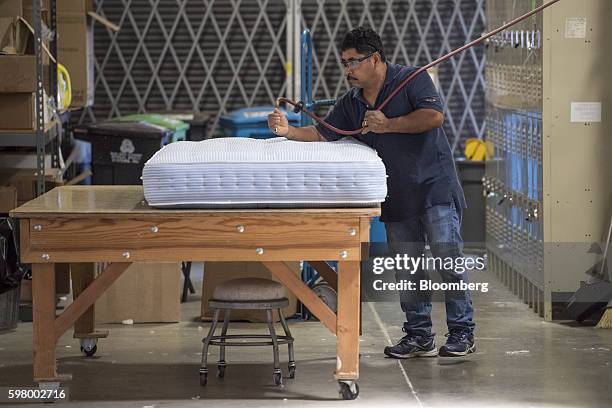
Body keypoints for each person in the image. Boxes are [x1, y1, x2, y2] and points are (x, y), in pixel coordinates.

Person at [267, 26, 475, 358]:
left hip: (433, 186)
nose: (347, 70)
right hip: (395, 195)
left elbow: (434, 117)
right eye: (344, 63)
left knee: (446, 258)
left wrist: (389, 124)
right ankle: (419, 334)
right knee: (408, 267)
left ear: (374, 59)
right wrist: (288, 131)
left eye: (352, 62)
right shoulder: (351, 103)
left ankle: (463, 332)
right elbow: (324, 133)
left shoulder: (412, 80)